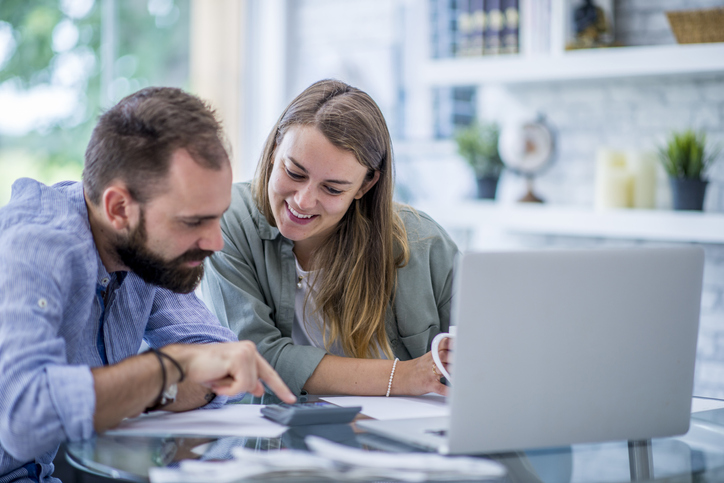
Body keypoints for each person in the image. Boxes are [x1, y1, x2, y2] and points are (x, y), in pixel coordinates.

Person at [0, 87, 295, 483]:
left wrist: (154, 385)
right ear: (119, 208)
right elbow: (22, 416)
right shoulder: (36, 246)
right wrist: (171, 368)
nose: (215, 242)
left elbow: (217, 363)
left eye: (217, 217)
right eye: (193, 222)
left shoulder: (145, 251)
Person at [199, 79, 458, 398]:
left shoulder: (424, 242)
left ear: (365, 186)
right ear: (275, 149)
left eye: (333, 189)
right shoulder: (229, 221)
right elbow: (256, 359)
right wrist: (402, 376)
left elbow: (482, 356)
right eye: (294, 172)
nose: (304, 201)